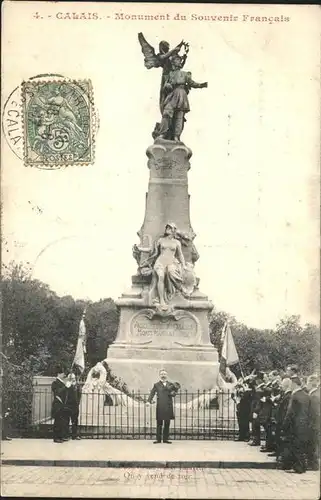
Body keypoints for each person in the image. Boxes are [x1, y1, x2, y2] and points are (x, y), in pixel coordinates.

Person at [154, 54, 208, 141]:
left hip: (181, 94)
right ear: (173, 63)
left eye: (179, 60)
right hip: (172, 94)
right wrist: (167, 86)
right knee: (167, 113)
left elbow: (192, 83)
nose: (179, 61)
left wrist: (202, 85)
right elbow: (165, 86)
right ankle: (163, 134)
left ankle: (176, 136)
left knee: (179, 116)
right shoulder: (170, 74)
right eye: (177, 60)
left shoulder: (185, 74)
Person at [281, 375, 310, 473]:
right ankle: (303, 465)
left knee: (296, 446)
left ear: (294, 384)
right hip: (305, 424)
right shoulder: (306, 395)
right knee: (301, 446)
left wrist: (285, 425)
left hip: (295, 424)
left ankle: (299, 467)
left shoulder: (294, 396)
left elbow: (290, 412)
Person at [146, 369, 180, 444]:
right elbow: (152, 393)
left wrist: (174, 392)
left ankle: (165, 439)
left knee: (167, 423)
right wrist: (148, 401)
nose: (163, 375)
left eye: (164, 374)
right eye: (162, 374)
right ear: (159, 375)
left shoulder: (171, 384)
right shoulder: (156, 385)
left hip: (168, 405)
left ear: (166, 375)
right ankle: (158, 439)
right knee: (159, 423)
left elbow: (174, 394)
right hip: (160, 405)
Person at [51, 366, 70, 443]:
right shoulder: (55, 383)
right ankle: (56, 438)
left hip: (62, 405)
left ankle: (61, 436)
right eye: (62, 373)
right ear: (59, 374)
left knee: (62, 422)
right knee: (57, 422)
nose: (64, 375)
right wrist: (65, 387)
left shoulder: (62, 382)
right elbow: (58, 392)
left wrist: (67, 386)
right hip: (57, 404)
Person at [306, 374, 320, 470]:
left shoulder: (314, 395)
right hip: (315, 424)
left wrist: (310, 423)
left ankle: (313, 464)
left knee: (313, 444)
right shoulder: (315, 393)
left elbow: (314, 412)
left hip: (313, 424)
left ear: (311, 382)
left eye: (307, 382)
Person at [65, 372, 82, 440]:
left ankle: (74, 435)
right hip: (68, 405)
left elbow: (79, 394)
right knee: (66, 420)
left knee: (75, 421)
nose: (73, 379)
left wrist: (78, 402)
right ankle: (66, 435)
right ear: (69, 379)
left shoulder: (77, 385)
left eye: (74, 378)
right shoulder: (67, 385)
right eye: (72, 378)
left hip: (75, 405)